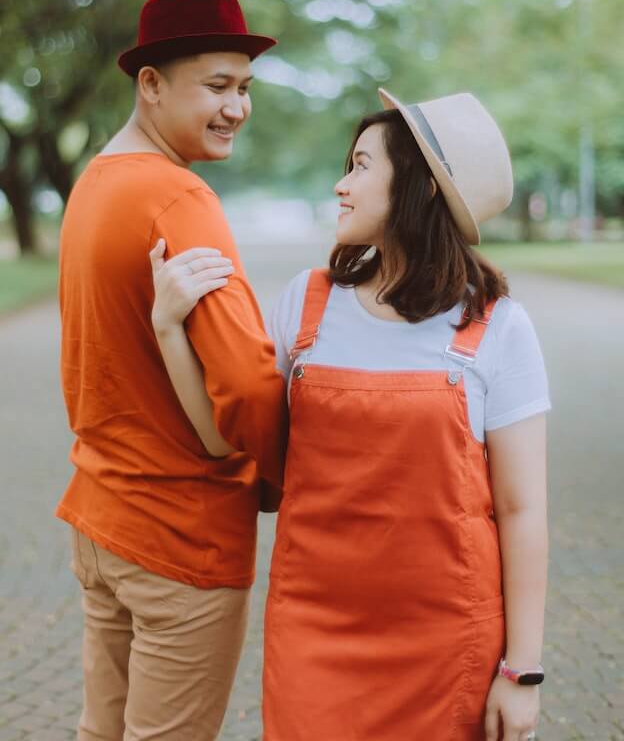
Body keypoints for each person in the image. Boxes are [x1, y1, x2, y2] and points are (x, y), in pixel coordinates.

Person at [150, 88, 550, 741]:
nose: (341, 185)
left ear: (420, 188)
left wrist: (522, 670)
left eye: (361, 167)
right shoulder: (306, 304)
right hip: (313, 631)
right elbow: (225, 442)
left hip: (449, 640)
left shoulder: (497, 325)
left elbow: (522, 509)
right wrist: (169, 328)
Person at [56, 0, 287, 741]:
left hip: (102, 517)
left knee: (102, 731)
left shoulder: (95, 182)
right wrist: (282, 472)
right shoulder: (178, 196)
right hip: (180, 535)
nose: (237, 107)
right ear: (151, 84)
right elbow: (247, 381)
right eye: (217, 85)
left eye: (244, 87)